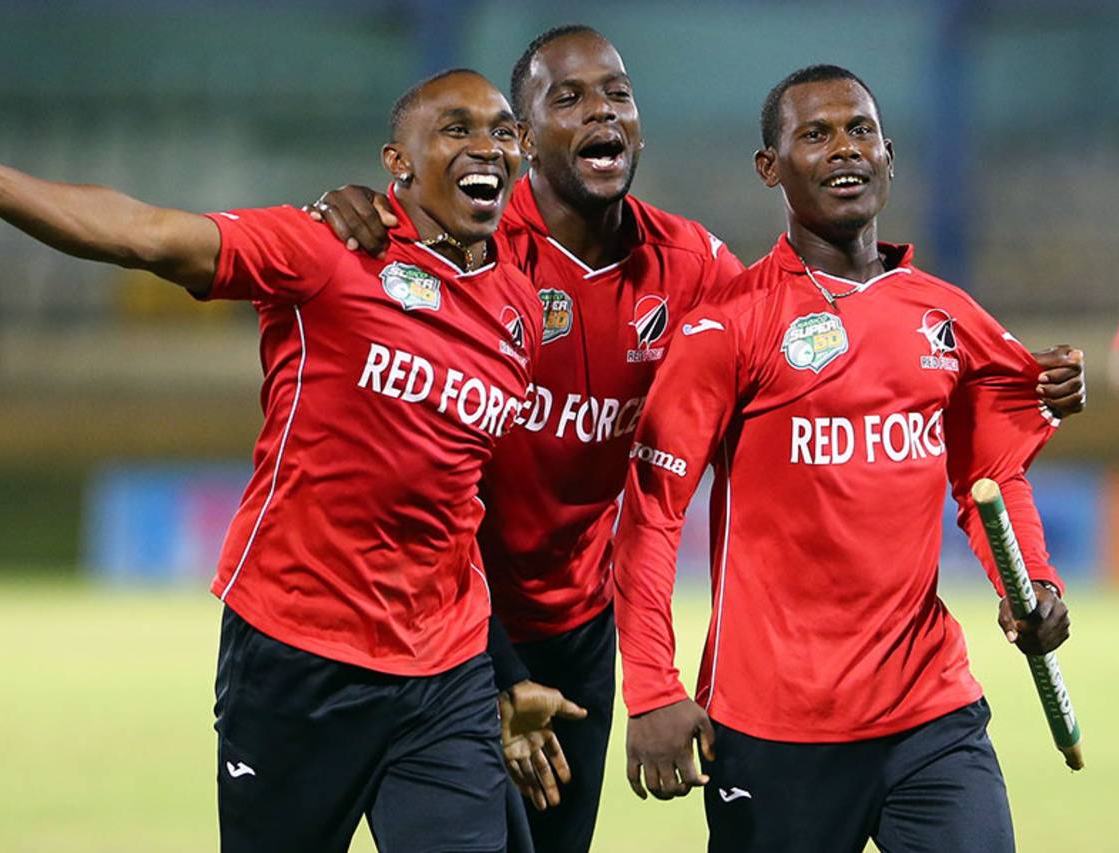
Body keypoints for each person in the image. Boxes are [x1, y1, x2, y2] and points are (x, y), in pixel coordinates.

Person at [304, 27, 1086, 853]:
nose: (600, 109)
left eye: (616, 93)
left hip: (582, 624)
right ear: (523, 138)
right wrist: (353, 210)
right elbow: (655, 506)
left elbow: (955, 433)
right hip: (454, 616)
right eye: (567, 97)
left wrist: (1029, 546)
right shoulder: (474, 246)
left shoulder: (703, 276)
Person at [0, 68, 542, 853]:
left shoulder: (520, 306)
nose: (484, 144)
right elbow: (148, 234)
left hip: (443, 672)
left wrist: (502, 664)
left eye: (499, 130)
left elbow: (460, 500)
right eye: (455, 129)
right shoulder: (324, 250)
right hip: (299, 654)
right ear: (398, 161)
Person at [612, 64, 1074, 853]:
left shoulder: (948, 316)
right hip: (771, 729)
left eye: (860, 130)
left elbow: (993, 479)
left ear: (889, 155)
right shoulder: (728, 326)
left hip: (929, 714)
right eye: (815, 135)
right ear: (771, 167)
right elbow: (650, 517)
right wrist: (653, 686)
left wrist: (1032, 586)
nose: (843, 149)